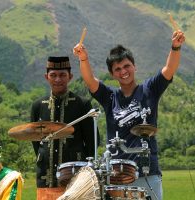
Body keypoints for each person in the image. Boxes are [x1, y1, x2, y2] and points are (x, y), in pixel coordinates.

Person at [73, 30, 185, 200]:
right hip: (118, 176)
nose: (123, 71)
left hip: (149, 173)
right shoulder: (109, 97)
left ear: (134, 66)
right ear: (112, 74)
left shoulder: (150, 89)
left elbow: (169, 69)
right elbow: (90, 80)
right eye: (117, 69)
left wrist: (175, 47)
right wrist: (83, 58)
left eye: (126, 66)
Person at [30, 56, 99, 200]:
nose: (57, 79)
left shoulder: (82, 104)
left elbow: (93, 142)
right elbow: (35, 141)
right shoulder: (38, 106)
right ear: (46, 77)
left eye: (62, 75)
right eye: (53, 75)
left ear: (70, 77)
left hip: (75, 182)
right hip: (45, 180)